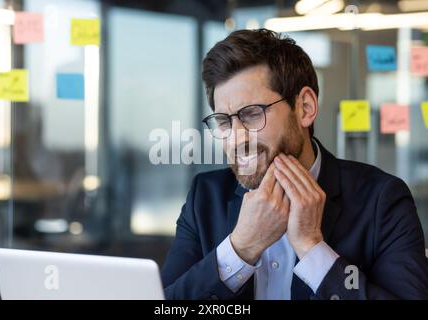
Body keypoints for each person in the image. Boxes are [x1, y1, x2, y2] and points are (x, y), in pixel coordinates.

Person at [160, 29, 428, 300]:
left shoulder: (381, 199)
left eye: (251, 114)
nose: (236, 138)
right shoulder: (205, 197)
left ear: (305, 108)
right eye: (224, 122)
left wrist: (313, 248)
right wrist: (240, 248)